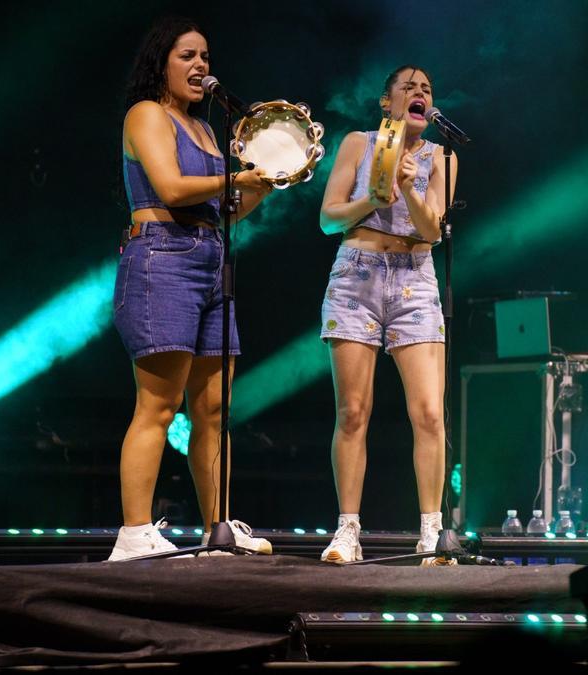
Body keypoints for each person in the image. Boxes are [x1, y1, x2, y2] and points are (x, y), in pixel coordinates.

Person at [108, 16, 275, 561]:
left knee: (213, 411)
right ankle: (133, 534)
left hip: (209, 259)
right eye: (187, 56)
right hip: (161, 257)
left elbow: (231, 210)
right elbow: (173, 188)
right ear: (161, 62)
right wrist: (237, 179)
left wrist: (266, 182)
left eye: (205, 56)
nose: (201, 65)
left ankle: (218, 531)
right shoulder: (146, 114)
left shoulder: (205, 130)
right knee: (157, 405)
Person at [316, 66, 458, 564]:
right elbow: (328, 216)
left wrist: (411, 188)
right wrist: (371, 198)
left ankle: (432, 532)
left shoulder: (441, 155)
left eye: (427, 88)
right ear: (386, 102)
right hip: (358, 273)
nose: (420, 93)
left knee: (430, 412)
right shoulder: (358, 142)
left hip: (415, 280)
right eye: (409, 88)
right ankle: (347, 532)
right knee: (353, 412)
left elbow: (433, 229)